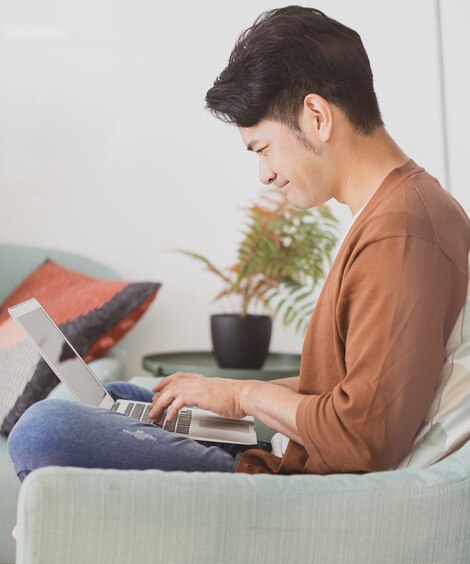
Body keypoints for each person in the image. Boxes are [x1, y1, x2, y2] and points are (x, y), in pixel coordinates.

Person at [8, 6, 470, 481]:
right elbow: (347, 388)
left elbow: (363, 436)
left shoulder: (402, 233)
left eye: (263, 148)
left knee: (43, 428)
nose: (265, 173)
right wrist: (227, 391)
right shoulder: (393, 212)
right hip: (294, 446)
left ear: (316, 116)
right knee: (125, 397)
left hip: (293, 479)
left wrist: (246, 397)